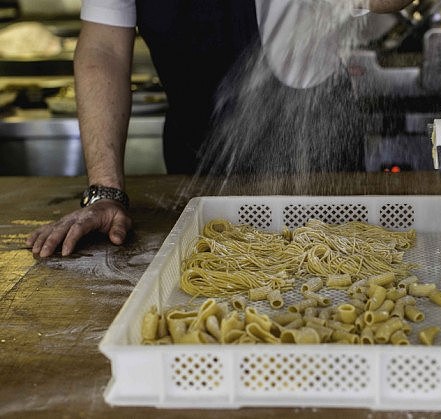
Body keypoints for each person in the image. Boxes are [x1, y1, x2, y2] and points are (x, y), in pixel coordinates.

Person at [27, 0, 413, 258]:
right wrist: (105, 192)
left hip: (317, 156)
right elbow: (103, 48)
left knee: (333, 289)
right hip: (195, 163)